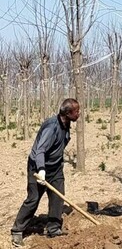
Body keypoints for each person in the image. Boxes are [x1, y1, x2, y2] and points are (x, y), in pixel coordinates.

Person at [11, 98, 80, 247]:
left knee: (57, 197)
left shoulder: (66, 124)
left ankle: (53, 228)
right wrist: (41, 170)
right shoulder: (51, 127)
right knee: (33, 199)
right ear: (68, 113)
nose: (79, 114)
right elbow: (40, 150)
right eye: (77, 111)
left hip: (55, 168)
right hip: (37, 167)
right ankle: (17, 231)